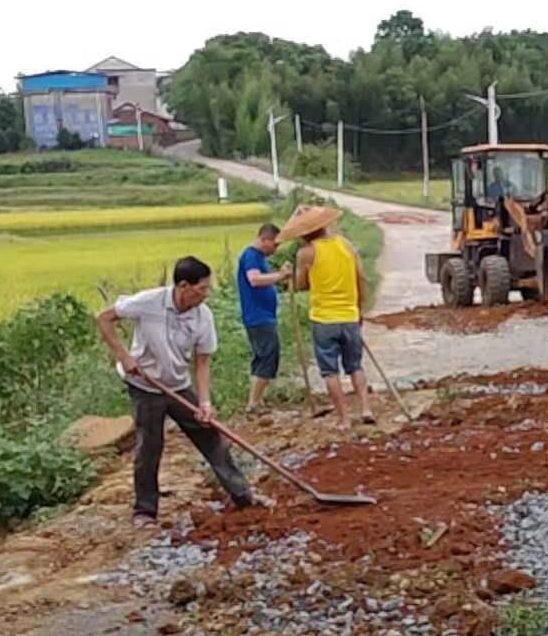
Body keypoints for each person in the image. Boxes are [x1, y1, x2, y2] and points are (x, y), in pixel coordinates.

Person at [96, 256, 256, 527]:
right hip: (145, 385)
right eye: (201, 288)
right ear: (183, 285)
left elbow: (202, 361)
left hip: (179, 386)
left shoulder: (203, 315)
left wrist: (205, 402)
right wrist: (124, 356)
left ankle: (242, 495)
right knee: (149, 446)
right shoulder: (149, 302)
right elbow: (103, 318)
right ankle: (145, 511)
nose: (205, 293)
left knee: (210, 436)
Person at [283, 205, 374, 428]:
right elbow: (361, 277)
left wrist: (289, 274)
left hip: (324, 319)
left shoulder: (305, 253)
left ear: (304, 232)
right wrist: (359, 309)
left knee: (329, 371)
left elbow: (302, 284)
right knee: (355, 366)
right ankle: (365, 408)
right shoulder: (346, 245)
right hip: (349, 315)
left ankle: (344, 418)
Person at [236, 223, 292, 411]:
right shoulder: (251, 255)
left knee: (263, 357)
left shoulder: (259, 257)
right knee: (268, 356)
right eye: (274, 245)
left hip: (263, 315)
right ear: (264, 239)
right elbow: (255, 279)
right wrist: (281, 276)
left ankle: (257, 400)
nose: (276, 249)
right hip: (258, 317)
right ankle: (254, 403)